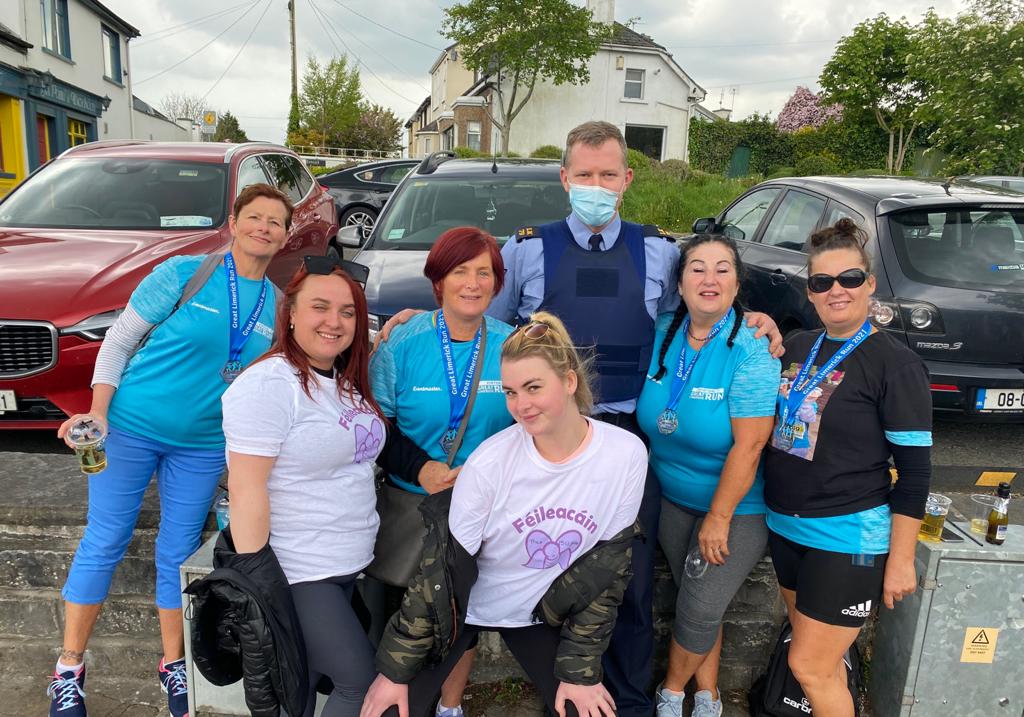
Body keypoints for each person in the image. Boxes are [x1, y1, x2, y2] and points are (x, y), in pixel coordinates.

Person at [485, 120, 783, 716]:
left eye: (608, 174)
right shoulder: (522, 250)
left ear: (626, 179)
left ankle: (626, 700)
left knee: (631, 576)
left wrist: (759, 322)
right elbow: (488, 332)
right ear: (565, 179)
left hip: (626, 438)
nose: (597, 185)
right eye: (585, 174)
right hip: (548, 436)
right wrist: (410, 322)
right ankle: (563, 693)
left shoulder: (660, 251)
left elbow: (695, 319)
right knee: (551, 563)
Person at [49, 184, 292, 717]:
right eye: (255, 217)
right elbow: (119, 342)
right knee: (105, 538)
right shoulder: (185, 275)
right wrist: (98, 412)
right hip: (131, 427)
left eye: (276, 222)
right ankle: (69, 668)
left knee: (178, 552)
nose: (264, 228)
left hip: (203, 445)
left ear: (286, 235)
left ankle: (173, 665)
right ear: (234, 220)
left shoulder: (277, 306)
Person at [359, 312, 647, 717]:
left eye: (533, 387)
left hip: (538, 611)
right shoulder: (489, 464)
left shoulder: (626, 454)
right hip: (464, 606)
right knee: (390, 708)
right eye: (510, 392)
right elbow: (439, 572)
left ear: (568, 381)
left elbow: (607, 570)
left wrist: (580, 672)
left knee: (587, 710)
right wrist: (393, 671)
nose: (521, 406)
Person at [763, 218, 932, 717]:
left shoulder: (894, 364)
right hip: (786, 528)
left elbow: (916, 474)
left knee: (810, 667)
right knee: (825, 666)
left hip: (847, 536)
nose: (836, 290)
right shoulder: (797, 347)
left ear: (870, 284)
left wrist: (900, 560)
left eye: (850, 279)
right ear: (810, 292)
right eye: (821, 282)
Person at [222, 256, 385, 717]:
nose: (334, 321)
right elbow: (246, 488)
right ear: (290, 312)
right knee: (359, 683)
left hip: (348, 563)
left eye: (348, 311)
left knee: (304, 684)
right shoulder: (269, 386)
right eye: (319, 307)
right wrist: (260, 587)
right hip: (300, 571)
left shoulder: (342, 378)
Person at [368, 227, 515, 717]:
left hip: (482, 508)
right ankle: (399, 703)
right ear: (438, 281)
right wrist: (423, 467)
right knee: (403, 614)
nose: (472, 283)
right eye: (460, 271)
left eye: (484, 273)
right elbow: (377, 427)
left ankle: (450, 707)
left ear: (497, 283)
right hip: (413, 505)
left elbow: (534, 424)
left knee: (463, 615)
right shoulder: (402, 344)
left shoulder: (515, 346)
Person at [636, 234, 780, 717]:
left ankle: (671, 694)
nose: (709, 279)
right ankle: (709, 694)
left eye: (722, 269)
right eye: (697, 267)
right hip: (672, 498)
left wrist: (719, 518)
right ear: (679, 281)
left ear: (738, 284)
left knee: (698, 606)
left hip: (735, 507)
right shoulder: (659, 331)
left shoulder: (752, 348)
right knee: (697, 601)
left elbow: (752, 442)